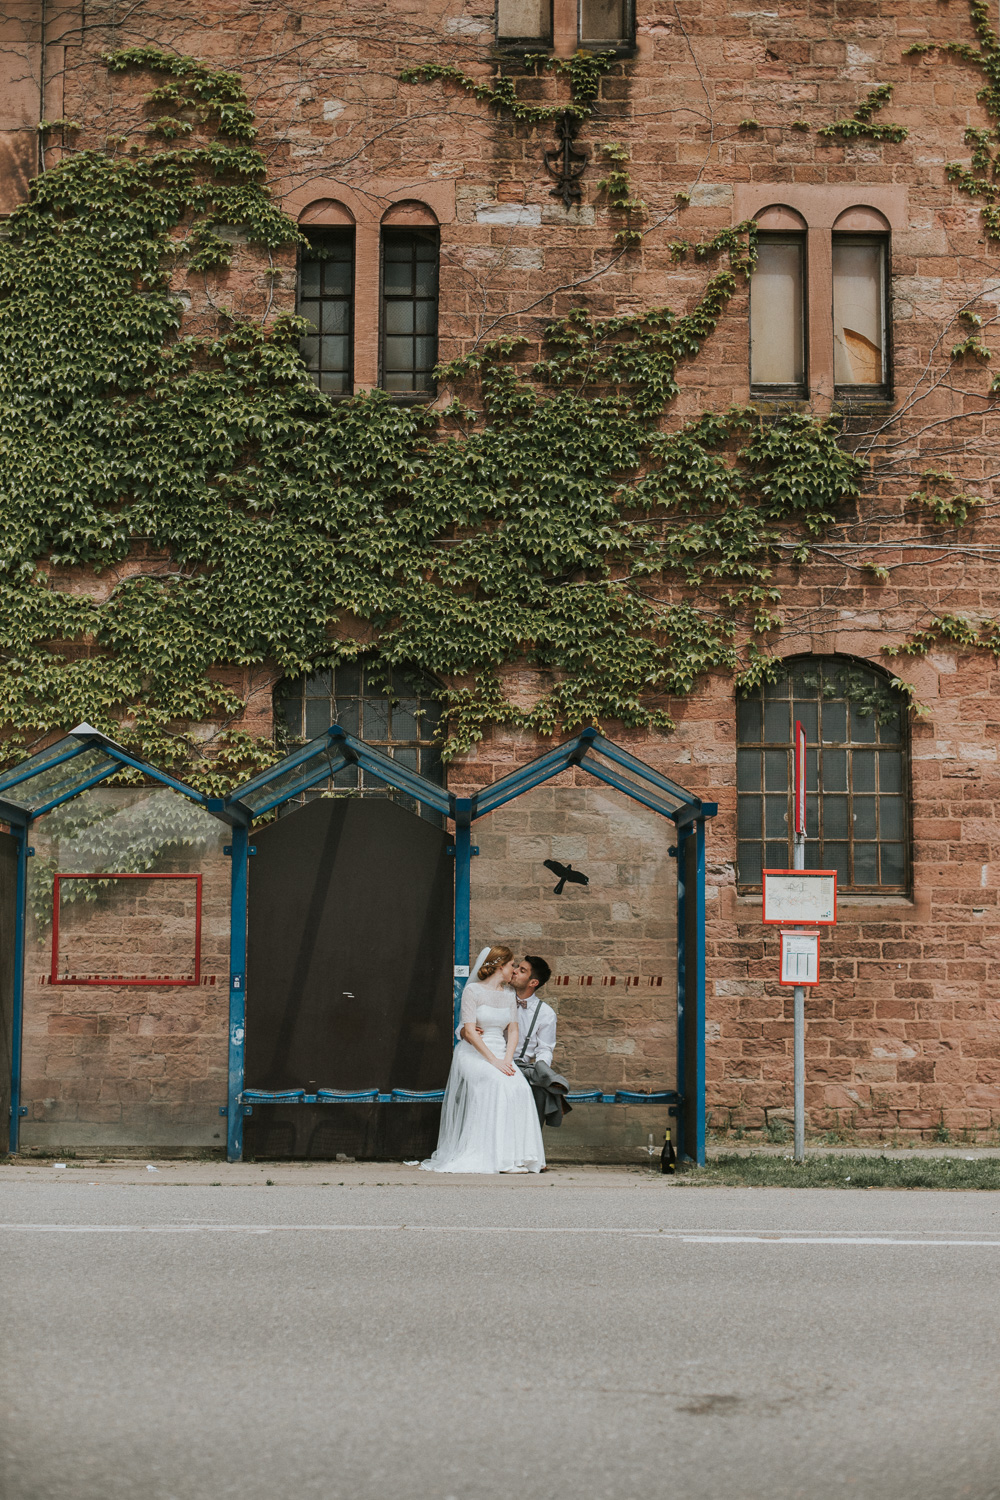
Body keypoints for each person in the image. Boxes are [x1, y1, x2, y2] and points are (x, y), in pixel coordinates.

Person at [420, 945, 546, 1174]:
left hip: (500, 1053)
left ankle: (519, 1156)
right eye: (512, 965)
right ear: (500, 966)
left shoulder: (509, 996)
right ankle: (498, 1158)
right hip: (475, 1054)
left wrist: (507, 1060)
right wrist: (493, 1061)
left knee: (519, 1086)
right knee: (497, 1084)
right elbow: (468, 1031)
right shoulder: (473, 992)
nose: (514, 970)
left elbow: (514, 1031)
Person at [510, 955, 572, 1129]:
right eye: (517, 967)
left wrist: (541, 1071)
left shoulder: (546, 1013)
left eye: (522, 970)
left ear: (533, 983)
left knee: (540, 1090)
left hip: (521, 1067)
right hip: (494, 1064)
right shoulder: (498, 999)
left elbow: (545, 1049)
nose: (514, 971)